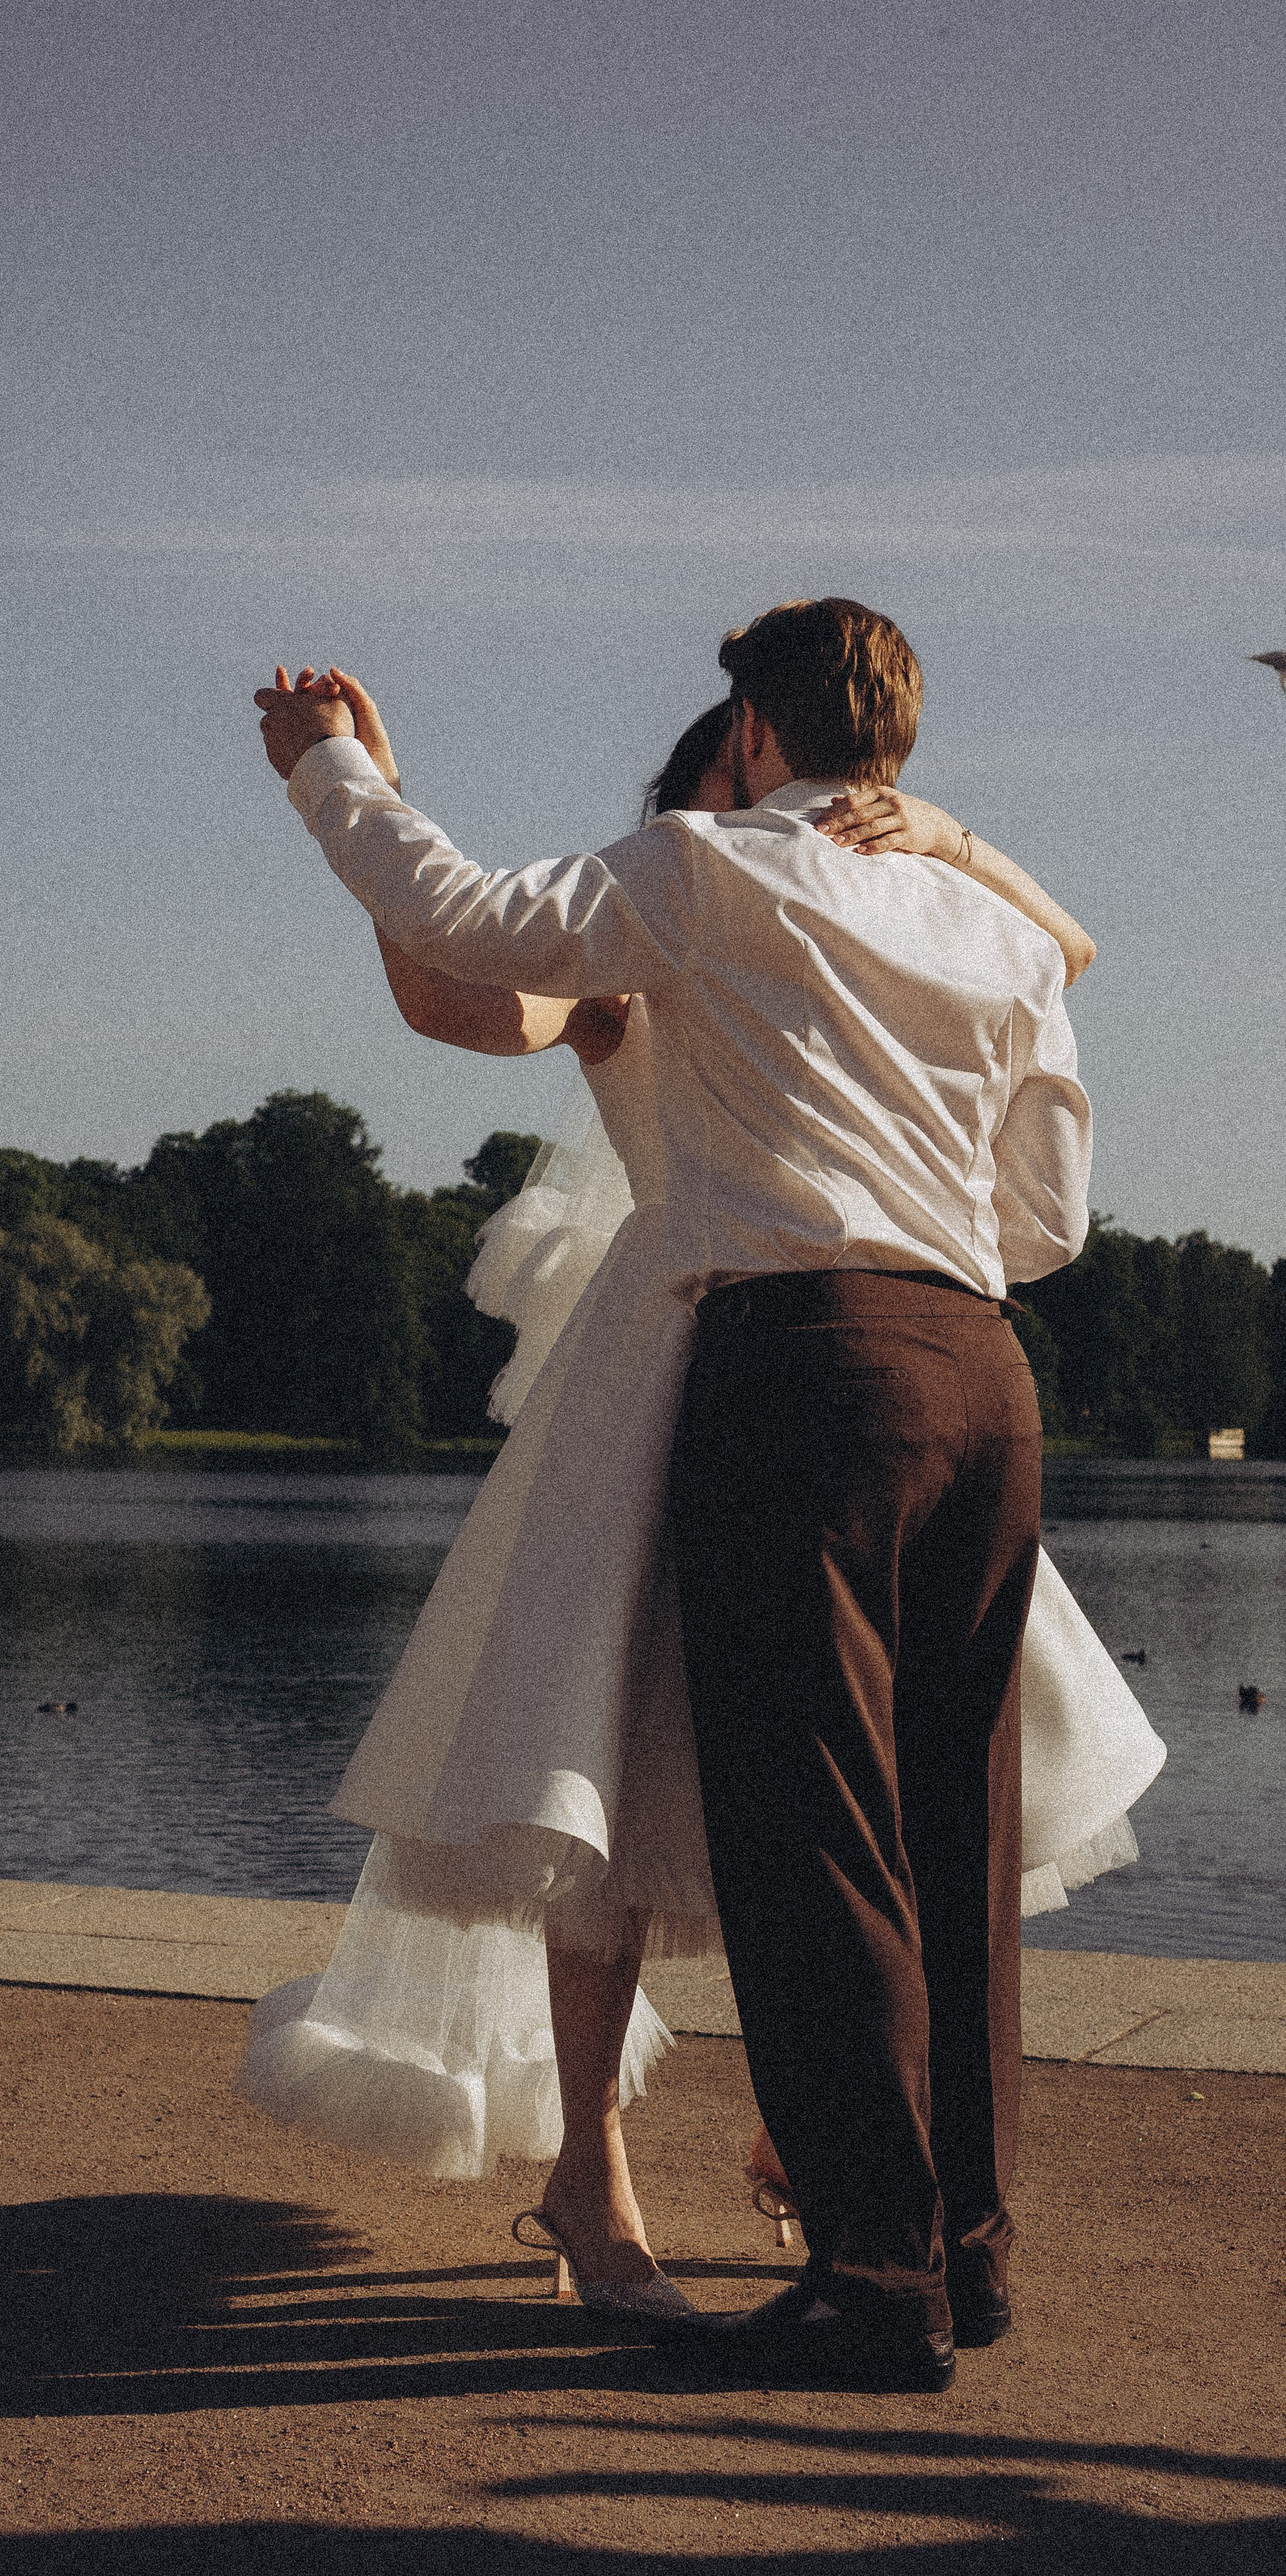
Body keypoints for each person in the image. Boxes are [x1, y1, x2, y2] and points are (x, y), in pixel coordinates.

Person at [246, 608, 1148, 2387]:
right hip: (976, 1362)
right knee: (942, 1845)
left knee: (812, 1844)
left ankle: (872, 2279)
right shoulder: (985, 924)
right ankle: (957, 2252)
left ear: (752, 723)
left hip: (793, 1361)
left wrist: (332, 773)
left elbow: (455, 918)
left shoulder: (706, 876)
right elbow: (1049, 1220)